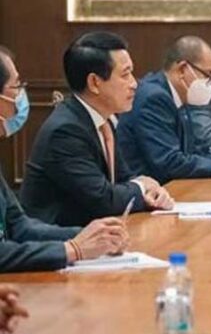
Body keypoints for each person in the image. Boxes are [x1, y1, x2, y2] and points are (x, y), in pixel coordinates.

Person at [20, 33, 174, 228]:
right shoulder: (66, 131)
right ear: (94, 82)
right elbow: (102, 200)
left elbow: (125, 179)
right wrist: (144, 187)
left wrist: (152, 192)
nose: (135, 84)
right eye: (125, 75)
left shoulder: (104, 121)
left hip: (97, 235)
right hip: (59, 244)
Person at [0, 46, 130, 271]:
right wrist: (72, 249)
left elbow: (19, 226)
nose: (21, 95)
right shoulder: (66, 129)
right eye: (16, 87)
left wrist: (93, 235)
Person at [117, 35, 211, 182]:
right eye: (207, 75)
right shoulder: (153, 97)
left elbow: (194, 151)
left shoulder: (179, 96)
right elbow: (169, 162)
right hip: (151, 194)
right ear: (182, 69)